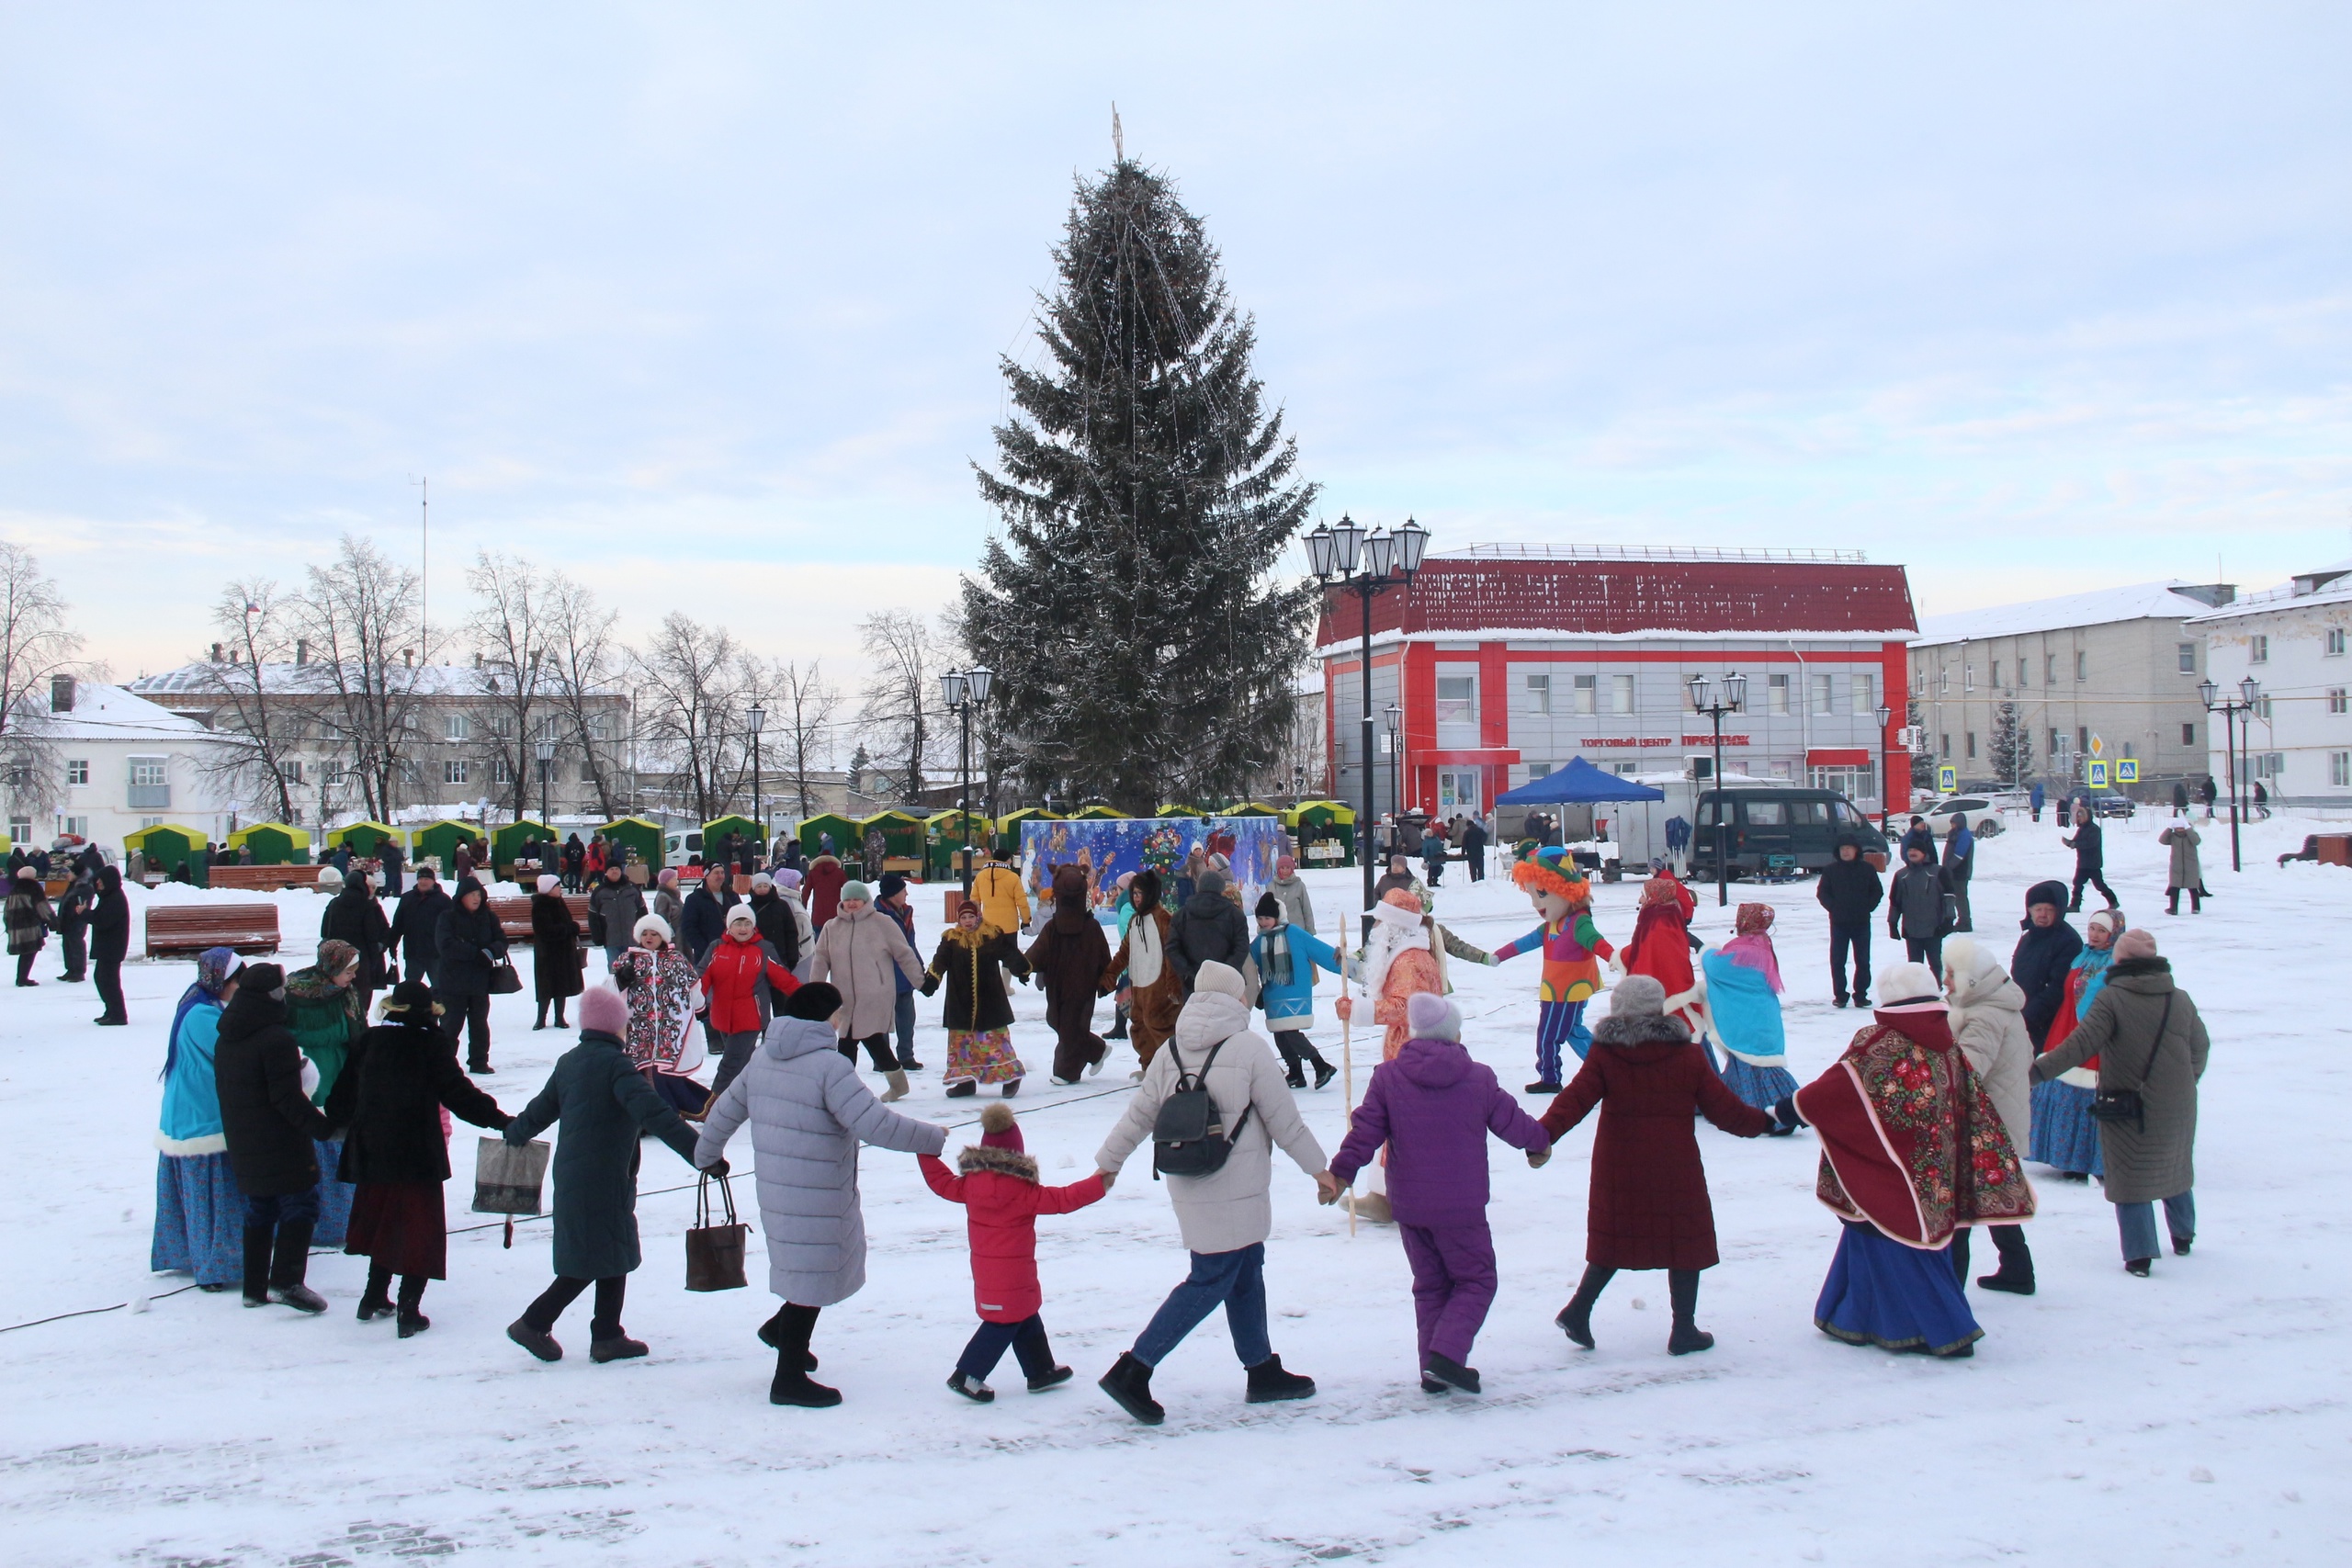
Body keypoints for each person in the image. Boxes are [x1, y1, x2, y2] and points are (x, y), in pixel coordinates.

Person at [1094, 962, 1335, 1426]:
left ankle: (1261, 1367)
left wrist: (1109, 1162)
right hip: (1238, 1181)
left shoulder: (1170, 1051)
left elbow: (1140, 1115)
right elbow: (1285, 1121)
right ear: (1235, 998)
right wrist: (1319, 1170)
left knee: (1245, 1267)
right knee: (1212, 1276)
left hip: (1187, 1177)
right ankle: (1134, 1369)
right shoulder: (1249, 1048)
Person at [694, 980, 945, 1405]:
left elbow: (724, 1112)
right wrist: (931, 1137)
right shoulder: (830, 1067)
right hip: (819, 1196)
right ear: (825, 1018)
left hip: (778, 1194)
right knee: (809, 1284)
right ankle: (787, 1379)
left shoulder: (763, 1058)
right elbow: (875, 1123)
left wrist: (706, 1155)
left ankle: (779, 1333)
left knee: (804, 1275)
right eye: (837, 1013)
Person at [1792, 962, 2034, 1359]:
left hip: (1890, 1168)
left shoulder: (1880, 1042)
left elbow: (1838, 1088)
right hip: (1936, 1165)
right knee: (1903, 1240)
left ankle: (1943, 1330)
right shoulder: (1947, 1042)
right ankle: (1857, 1317)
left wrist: (1789, 1109)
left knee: (1892, 1239)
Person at [1542, 975, 1774, 1355]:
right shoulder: (1687, 1055)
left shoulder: (1605, 1053)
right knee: (1685, 1241)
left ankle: (1578, 1310)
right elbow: (1725, 1111)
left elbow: (1574, 1100)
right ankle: (1684, 1330)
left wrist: (1542, 1136)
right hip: (1674, 1165)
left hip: (1620, 1166)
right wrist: (1765, 1121)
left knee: (1613, 1240)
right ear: (1659, 1008)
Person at [1329, 991, 1549, 1393]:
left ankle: (1432, 1367)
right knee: (1476, 1280)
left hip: (1410, 1205)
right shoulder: (1478, 1077)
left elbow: (1364, 1134)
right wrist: (1539, 1144)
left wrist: (1341, 1173)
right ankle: (1446, 1357)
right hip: (1461, 1206)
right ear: (1455, 1036)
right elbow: (1512, 1121)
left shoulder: (1388, 1077)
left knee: (1430, 1285)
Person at [503, 984, 709, 1365]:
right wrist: (700, 1153)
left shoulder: (571, 1061)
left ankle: (608, 1334)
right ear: (617, 1028)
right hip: (603, 1177)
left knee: (611, 1251)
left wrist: (514, 1132)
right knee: (590, 1258)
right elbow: (655, 1113)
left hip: (576, 1174)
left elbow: (541, 1110)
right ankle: (533, 1323)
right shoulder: (616, 1066)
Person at [326, 980, 512, 1337]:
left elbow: (341, 1099)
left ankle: (373, 1297)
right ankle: (408, 1310)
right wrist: (499, 1119)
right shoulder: (431, 1043)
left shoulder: (369, 1041)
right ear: (429, 1012)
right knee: (418, 1231)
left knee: (383, 1221)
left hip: (372, 1152)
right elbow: (458, 1094)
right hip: (415, 1153)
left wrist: (333, 1121)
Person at [2031, 929, 2209, 1276]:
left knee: (2130, 1174)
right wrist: (2188, 1081)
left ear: (2120, 961)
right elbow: (2200, 1046)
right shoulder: (2180, 998)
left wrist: (2035, 1073)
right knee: (2174, 1165)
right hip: (2179, 1102)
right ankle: (2183, 1235)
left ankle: (2140, 1255)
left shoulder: (2112, 999)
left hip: (2127, 1102)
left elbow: (2079, 1046)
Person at [923, 1102, 1104, 1402]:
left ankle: (1040, 1370)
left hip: (987, 1273)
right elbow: (1065, 1199)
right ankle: (966, 1375)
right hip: (1015, 1272)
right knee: (1003, 1322)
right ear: (1017, 1153)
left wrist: (925, 1150)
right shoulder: (1024, 1191)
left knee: (1024, 1314)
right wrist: (1101, 1182)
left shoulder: (969, 1185)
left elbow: (940, 1182)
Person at [212, 963, 336, 1313]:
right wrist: (323, 1128)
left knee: (260, 1207)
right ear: (273, 995)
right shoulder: (275, 1039)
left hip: (244, 1139)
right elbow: (287, 1098)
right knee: (301, 1202)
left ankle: (254, 1288)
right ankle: (286, 1281)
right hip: (280, 1140)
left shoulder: (228, 1037)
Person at [1939, 940, 2037, 1295]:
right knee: (1995, 1195)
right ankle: (2017, 1269)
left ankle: (1950, 1291)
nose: (1945, 981)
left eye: (1952, 974)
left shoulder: (1983, 1016)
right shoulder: (1997, 1005)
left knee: (1961, 1205)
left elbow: (1965, 1070)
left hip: (1984, 1124)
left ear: (1972, 979)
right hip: (1999, 1118)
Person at [151, 948, 246, 1291]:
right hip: (201, 1117)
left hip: (190, 1113)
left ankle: (192, 1255)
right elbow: (233, 1052)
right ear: (222, 981)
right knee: (210, 1199)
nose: (240, 988)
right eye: (238, 982)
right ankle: (214, 1266)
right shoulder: (203, 1017)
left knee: (196, 1197)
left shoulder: (197, 1004)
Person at [1491, 848, 1615, 1093]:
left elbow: (1595, 940)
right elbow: (1524, 943)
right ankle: (1608, 1070)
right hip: (1555, 988)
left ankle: (1551, 1077)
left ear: (1566, 890)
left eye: (1542, 894)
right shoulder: (1551, 926)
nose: (1537, 904)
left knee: (1549, 1035)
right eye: (1532, 895)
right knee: (1572, 1031)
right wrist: (1499, 955)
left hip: (1568, 990)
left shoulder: (1578, 922)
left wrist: (1614, 957)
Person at [810, 880, 924, 1102]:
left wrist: (921, 982)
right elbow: (820, 959)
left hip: (875, 994)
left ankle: (841, 1091)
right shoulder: (831, 927)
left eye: (856, 899)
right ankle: (895, 1084)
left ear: (865, 900)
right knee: (870, 1041)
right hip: (844, 997)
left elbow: (904, 954)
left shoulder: (882, 923)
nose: (852, 903)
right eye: (848, 899)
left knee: (849, 1041)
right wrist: (815, 989)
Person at [284, 938, 365, 1247]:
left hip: (340, 1070)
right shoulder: (296, 991)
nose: (353, 977)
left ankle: (343, 1217)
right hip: (309, 1070)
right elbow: (286, 1030)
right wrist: (334, 1033)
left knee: (341, 1137)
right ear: (332, 966)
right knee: (315, 1136)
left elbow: (358, 1029)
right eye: (349, 970)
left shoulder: (346, 994)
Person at [2033, 908, 2122, 1182]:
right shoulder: (2082, 958)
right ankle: (2063, 1154)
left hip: (2093, 1034)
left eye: (2101, 931)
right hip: (2065, 1027)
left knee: (2088, 1093)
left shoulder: (2116, 964)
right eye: (2092, 928)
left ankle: (2090, 1158)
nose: (2094, 935)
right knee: (2061, 1086)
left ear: (2114, 934)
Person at [1701, 905, 1802, 1134]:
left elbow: (1715, 966)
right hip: (1764, 1014)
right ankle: (1780, 1110)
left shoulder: (1741, 950)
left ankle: (1773, 1116)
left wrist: (1706, 949)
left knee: (1753, 1064)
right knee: (1758, 1062)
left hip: (1746, 1018)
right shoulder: (1764, 945)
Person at [922, 898, 1030, 1098]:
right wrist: (931, 980)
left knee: (995, 1043)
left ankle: (1011, 1078)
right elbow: (940, 961)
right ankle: (965, 1082)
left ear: (978, 916)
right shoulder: (951, 939)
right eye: (964, 917)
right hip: (960, 1001)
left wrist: (1022, 970)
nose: (968, 921)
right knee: (963, 1045)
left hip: (990, 1000)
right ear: (958, 919)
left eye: (971, 916)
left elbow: (1009, 953)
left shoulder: (991, 935)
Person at [698, 905, 801, 1104]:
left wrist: (807, 998)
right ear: (729, 926)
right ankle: (757, 1096)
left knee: (730, 1063)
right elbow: (702, 977)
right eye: (738, 923)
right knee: (743, 1064)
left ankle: (711, 1105)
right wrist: (690, 1000)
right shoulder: (717, 948)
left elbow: (784, 979)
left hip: (750, 1018)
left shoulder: (763, 949)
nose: (743, 928)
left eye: (747, 923)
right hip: (721, 1017)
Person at [609, 914, 707, 1114]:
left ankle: (672, 1111)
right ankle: (647, 1114)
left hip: (670, 1027)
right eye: (644, 933)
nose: (649, 937)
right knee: (640, 1071)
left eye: (654, 933)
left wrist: (700, 1008)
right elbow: (608, 990)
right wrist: (620, 981)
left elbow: (693, 985)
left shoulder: (677, 959)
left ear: (662, 936)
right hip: (638, 1026)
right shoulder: (628, 959)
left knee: (664, 1071)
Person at [1342, 888, 1448, 1071]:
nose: (1374, 927)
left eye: (1379, 921)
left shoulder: (1408, 962)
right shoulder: (1414, 955)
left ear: (1392, 926)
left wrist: (1355, 1009)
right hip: (1411, 1053)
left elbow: (1405, 1008)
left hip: (1411, 1058)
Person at [1025, 864, 1112, 1085]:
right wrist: (1022, 965)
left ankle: (1067, 1072)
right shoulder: (1053, 928)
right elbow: (1037, 953)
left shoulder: (1090, 927)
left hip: (1083, 985)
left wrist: (1106, 981)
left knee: (1072, 1025)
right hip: (1057, 984)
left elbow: (1104, 957)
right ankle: (1096, 1049)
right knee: (1056, 1019)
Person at [1249, 891, 1341, 1090]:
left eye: (1267, 917)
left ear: (1277, 916)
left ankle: (1321, 1065)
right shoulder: (1259, 942)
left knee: (1291, 1033)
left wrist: (1346, 965)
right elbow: (1247, 964)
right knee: (1280, 1036)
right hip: (1273, 995)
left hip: (1295, 992)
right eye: (1260, 918)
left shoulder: (1295, 934)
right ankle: (1296, 1072)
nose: (1264, 922)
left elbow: (1320, 951)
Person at [1101, 870, 1182, 1073]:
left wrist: (1173, 983)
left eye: (1140, 893)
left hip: (1159, 988)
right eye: (1134, 893)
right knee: (1140, 1029)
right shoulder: (1134, 921)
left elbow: (1172, 953)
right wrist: (1109, 976)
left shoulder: (1163, 919)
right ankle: (1150, 1068)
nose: (1136, 898)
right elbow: (1124, 953)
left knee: (1161, 1028)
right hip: (1138, 986)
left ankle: (1170, 1071)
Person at [435, 874, 508, 1074]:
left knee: (479, 1024)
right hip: (453, 982)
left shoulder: (489, 917)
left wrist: (491, 951)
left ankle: (479, 1061)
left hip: (480, 981)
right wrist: (474, 953)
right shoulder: (448, 917)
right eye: (472, 895)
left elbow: (502, 941)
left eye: (479, 894)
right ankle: (444, 1064)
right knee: (451, 1025)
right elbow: (445, 945)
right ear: (461, 897)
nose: (476, 898)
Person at [1620, 872, 1704, 1039]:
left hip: (1665, 1005)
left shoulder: (1659, 924)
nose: (1640, 900)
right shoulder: (1665, 917)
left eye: (1643, 895)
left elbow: (1659, 962)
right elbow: (1646, 950)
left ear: (1654, 897)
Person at [1816, 837, 1883, 1008]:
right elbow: (1822, 893)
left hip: (1861, 922)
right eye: (1842, 848)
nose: (1845, 852)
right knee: (1837, 960)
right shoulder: (1831, 870)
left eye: (1849, 848)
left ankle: (1860, 995)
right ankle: (1840, 995)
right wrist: (1833, 907)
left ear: (1856, 850)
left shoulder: (1867, 869)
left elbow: (1877, 891)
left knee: (1862, 960)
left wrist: (1867, 907)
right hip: (1839, 923)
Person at [319, 867, 393, 1018]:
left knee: (338, 995)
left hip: (336, 958)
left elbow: (324, 931)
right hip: (361, 960)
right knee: (361, 998)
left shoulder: (334, 904)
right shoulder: (366, 906)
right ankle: (359, 1025)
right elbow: (371, 934)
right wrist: (374, 959)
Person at [1167, 867, 1251, 995]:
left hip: (1193, 986)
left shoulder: (1181, 915)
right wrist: (1225, 973)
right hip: (1227, 985)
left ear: (1198, 887)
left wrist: (1188, 974)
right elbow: (1242, 947)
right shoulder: (1235, 915)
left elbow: (1172, 948)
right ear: (1221, 888)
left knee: (1196, 1015)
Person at [1886, 841, 1954, 978]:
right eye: (1909, 849)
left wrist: (1949, 919)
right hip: (1911, 929)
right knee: (1914, 966)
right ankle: (1917, 991)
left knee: (1935, 963)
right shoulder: (1901, 875)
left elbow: (1949, 897)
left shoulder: (1939, 872)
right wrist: (1892, 923)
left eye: (1916, 849)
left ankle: (1936, 988)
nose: (1912, 852)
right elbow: (1895, 902)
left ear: (1925, 853)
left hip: (1934, 928)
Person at [877, 874, 922, 1072]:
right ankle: (882, 1059)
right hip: (883, 976)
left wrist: (918, 967)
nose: (906, 893)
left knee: (906, 1018)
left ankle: (906, 1056)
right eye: (903, 890)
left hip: (904, 975)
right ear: (893, 894)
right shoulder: (876, 916)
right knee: (882, 1021)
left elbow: (909, 945)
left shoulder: (905, 912)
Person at [531, 874, 584, 1030]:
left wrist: (572, 928)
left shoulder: (559, 902)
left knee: (561, 984)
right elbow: (544, 930)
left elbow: (566, 922)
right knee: (546, 985)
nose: (560, 889)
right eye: (556, 886)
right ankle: (541, 1018)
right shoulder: (540, 905)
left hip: (563, 951)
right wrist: (569, 929)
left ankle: (559, 1017)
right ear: (548, 889)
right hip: (547, 952)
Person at [390, 865, 451, 989]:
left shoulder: (444, 900)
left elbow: (452, 926)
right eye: (421, 879)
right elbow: (398, 924)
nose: (423, 881)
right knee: (411, 988)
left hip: (436, 954)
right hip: (413, 952)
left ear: (433, 881)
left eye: (427, 879)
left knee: (441, 988)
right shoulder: (407, 898)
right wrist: (392, 944)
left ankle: (441, 1008)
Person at [88, 863, 130, 1024]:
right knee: (101, 978)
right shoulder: (108, 897)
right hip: (107, 947)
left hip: (112, 947)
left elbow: (103, 921)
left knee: (109, 981)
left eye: (100, 881)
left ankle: (118, 1014)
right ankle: (111, 1010)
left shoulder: (115, 898)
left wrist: (85, 914)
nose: (98, 884)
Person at [678, 864, 738, 972]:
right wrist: (705, 948)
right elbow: (688, 927)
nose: (720, 876)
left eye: (722, 873)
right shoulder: (695, 899)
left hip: (733, 953)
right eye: (716, 873)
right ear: (706, 876)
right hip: (705, 958)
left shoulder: (732, 896)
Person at [589, 861, 646, 972]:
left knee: (634, 971)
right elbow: (593, 916)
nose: (614, 871)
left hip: (632, 939)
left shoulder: (633, 889)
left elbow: (643, 912)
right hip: (611, 940)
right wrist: (597, 936)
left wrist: (643, 933)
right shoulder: (599, 891)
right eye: (611, 869)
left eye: (617, 869)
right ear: (606, 872)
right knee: (614, 971)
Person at [2063, 803, 2118, 911]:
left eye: (2081, 815)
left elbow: (2090, 843)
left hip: (2093, 864)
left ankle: (2113, 901)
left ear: (2087, 816)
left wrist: (2075, 844)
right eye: (2078, 816)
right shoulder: (2082, 829)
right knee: (2077, 883)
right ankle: (2075, 905)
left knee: (2099, 885)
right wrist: (2070, 843)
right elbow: (2077, 841)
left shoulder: (2094, 829)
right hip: (2082, 863)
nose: (2079, 818)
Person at [7, 864, 53, 986]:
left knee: (24, 952)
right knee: (30, 951)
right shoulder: (33, 887)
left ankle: (21, 978)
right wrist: (52, 921)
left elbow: (7, 910)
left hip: (16, 926)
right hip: (29, 925)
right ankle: (23, 978)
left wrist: (8, 925)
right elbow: (42, 906)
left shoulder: (15, 888)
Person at [2159, 822, 2207, 915]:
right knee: (2174, 888)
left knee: (2193, 888)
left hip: (2191, 866)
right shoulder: (2173, 837)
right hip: (2176, 866)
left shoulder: (2191, 836)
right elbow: (2162, 840)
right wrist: (2169, 828)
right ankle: (2173, 908)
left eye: (2182, 828)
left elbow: (2196, 841)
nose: (2180, 830)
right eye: (2178, 828)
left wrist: (2189, 829)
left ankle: (2196, 908)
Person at [53, 864, 91, 984]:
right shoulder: (73, 886)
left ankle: (79, 971)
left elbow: (81, 905)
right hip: (67, 921)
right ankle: (70, 969)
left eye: (70, 873)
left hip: (76, 922)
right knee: (68, 946)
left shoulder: (84, 887)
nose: (67, 875)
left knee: (76, 945)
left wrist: (75, 917)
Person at [1941, 813, 1976, 932]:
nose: (1952, 826)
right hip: (1954, 871)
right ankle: (1962, 921)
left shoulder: (1964, 835)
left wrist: (1948, 867)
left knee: (1960, 897)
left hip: (1960, 872)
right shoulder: (1956, 834)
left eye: (1954, 823)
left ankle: (1965, 922)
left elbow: (1959, 855)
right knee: (1957, 897)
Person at [1266, 854, 1316, 931]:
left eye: (1288, 868)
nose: (1285, 871)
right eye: (1282, 868)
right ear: (1278, 869)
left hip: (1297, 931)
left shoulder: (1299, 886)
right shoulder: (1271, 887)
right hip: (1277, 931)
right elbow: (1265, 910)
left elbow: (1307, 910)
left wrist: (1310, 931)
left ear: (1292, 869)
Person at [804, 852, 848, 931]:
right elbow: (848, 890)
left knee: (819, 942)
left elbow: (806, 892)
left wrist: (803, 908)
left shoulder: (813, 873)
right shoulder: (840, 872)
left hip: (818, 916)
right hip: (836, 915)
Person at [1461, 815, 1488, 882]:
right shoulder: (1480, 830)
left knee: (1472, 868)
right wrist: (1482, 841)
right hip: (1480, 852)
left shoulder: (1467, 832)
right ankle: (1481, 880)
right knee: (1480, 867)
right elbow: (1485, 836)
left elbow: (1464, 843)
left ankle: (1474, 880)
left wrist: (1463, 853)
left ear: (1468, 826)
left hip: (1471, 853)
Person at [1420, 821, 1448, 887]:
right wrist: (1425, 859)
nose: (1431, 834)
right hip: (1431, 858)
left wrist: (1442, 852)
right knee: (1431, 870)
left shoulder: (1436, 838)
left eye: (1431, 832)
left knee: (1438, 869)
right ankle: (1430, 882)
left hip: (1438, 857)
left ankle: (1435, 881)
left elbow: (1440, 846)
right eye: (1429, 833)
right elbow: (1424, 851)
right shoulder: (1426, 841)